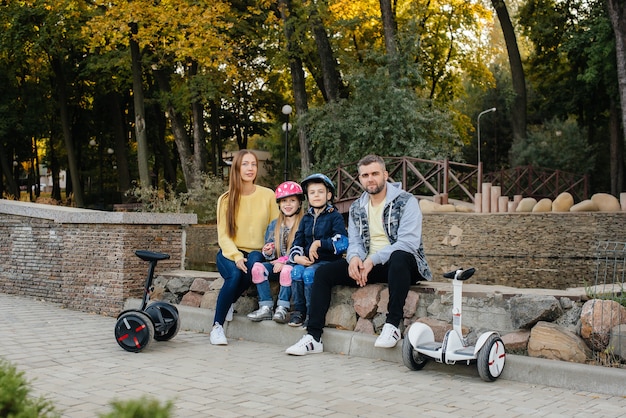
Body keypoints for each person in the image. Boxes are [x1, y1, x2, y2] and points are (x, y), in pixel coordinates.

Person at [286, 155, 432, 355]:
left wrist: (372, 259)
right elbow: (355, 242)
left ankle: (392, 326)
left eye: (374, 174)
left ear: (385, 175)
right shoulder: (357, 207)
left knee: (399, 256)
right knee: (323, 273)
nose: (370, 179)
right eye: (365, 175)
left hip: (404, 264)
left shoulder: (406, 201)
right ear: (360, 179)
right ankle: (314, 337)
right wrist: (355, 258)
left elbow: (408, 243)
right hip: (369, 265)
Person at [210, 150, 279, 345]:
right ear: (237, 168)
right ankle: (217, 326)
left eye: (254, 164)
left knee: (253, 266)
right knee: (234, 275)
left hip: (257, 252)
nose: (250, 168)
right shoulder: (225, 199)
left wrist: (271, 250)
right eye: (245, 164)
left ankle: (229, 300)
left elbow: (275, 229)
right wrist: (236, 256)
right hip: (230, 251)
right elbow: (223, 236)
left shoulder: (268, 195)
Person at [287, 173, 348, 328]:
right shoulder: (306, 218)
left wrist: (320, 243)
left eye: (320, 192)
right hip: (308, 260)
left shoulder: (335, 216)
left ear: (328, 195)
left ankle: (311, 314)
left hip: (328, 261)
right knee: (296, 271)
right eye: (312, 192)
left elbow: (343, 241)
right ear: (308, 196)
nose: (316, 195)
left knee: (309, 273)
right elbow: (298, 240)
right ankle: (299, 311)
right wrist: (297, 257)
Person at [247, 181, 305, 323]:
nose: (288, 204)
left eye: (292, 200)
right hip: (277, 264)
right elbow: (270, 253)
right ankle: (266, 306)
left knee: (286, 270)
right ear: (279, 203)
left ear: (299, 203)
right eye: (284, 201)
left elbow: (304, 249)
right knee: (257, 268)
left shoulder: (305, 223)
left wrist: (284, 260)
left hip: (294, 264)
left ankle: (282, 308)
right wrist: (269, 251)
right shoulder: (274, 225)